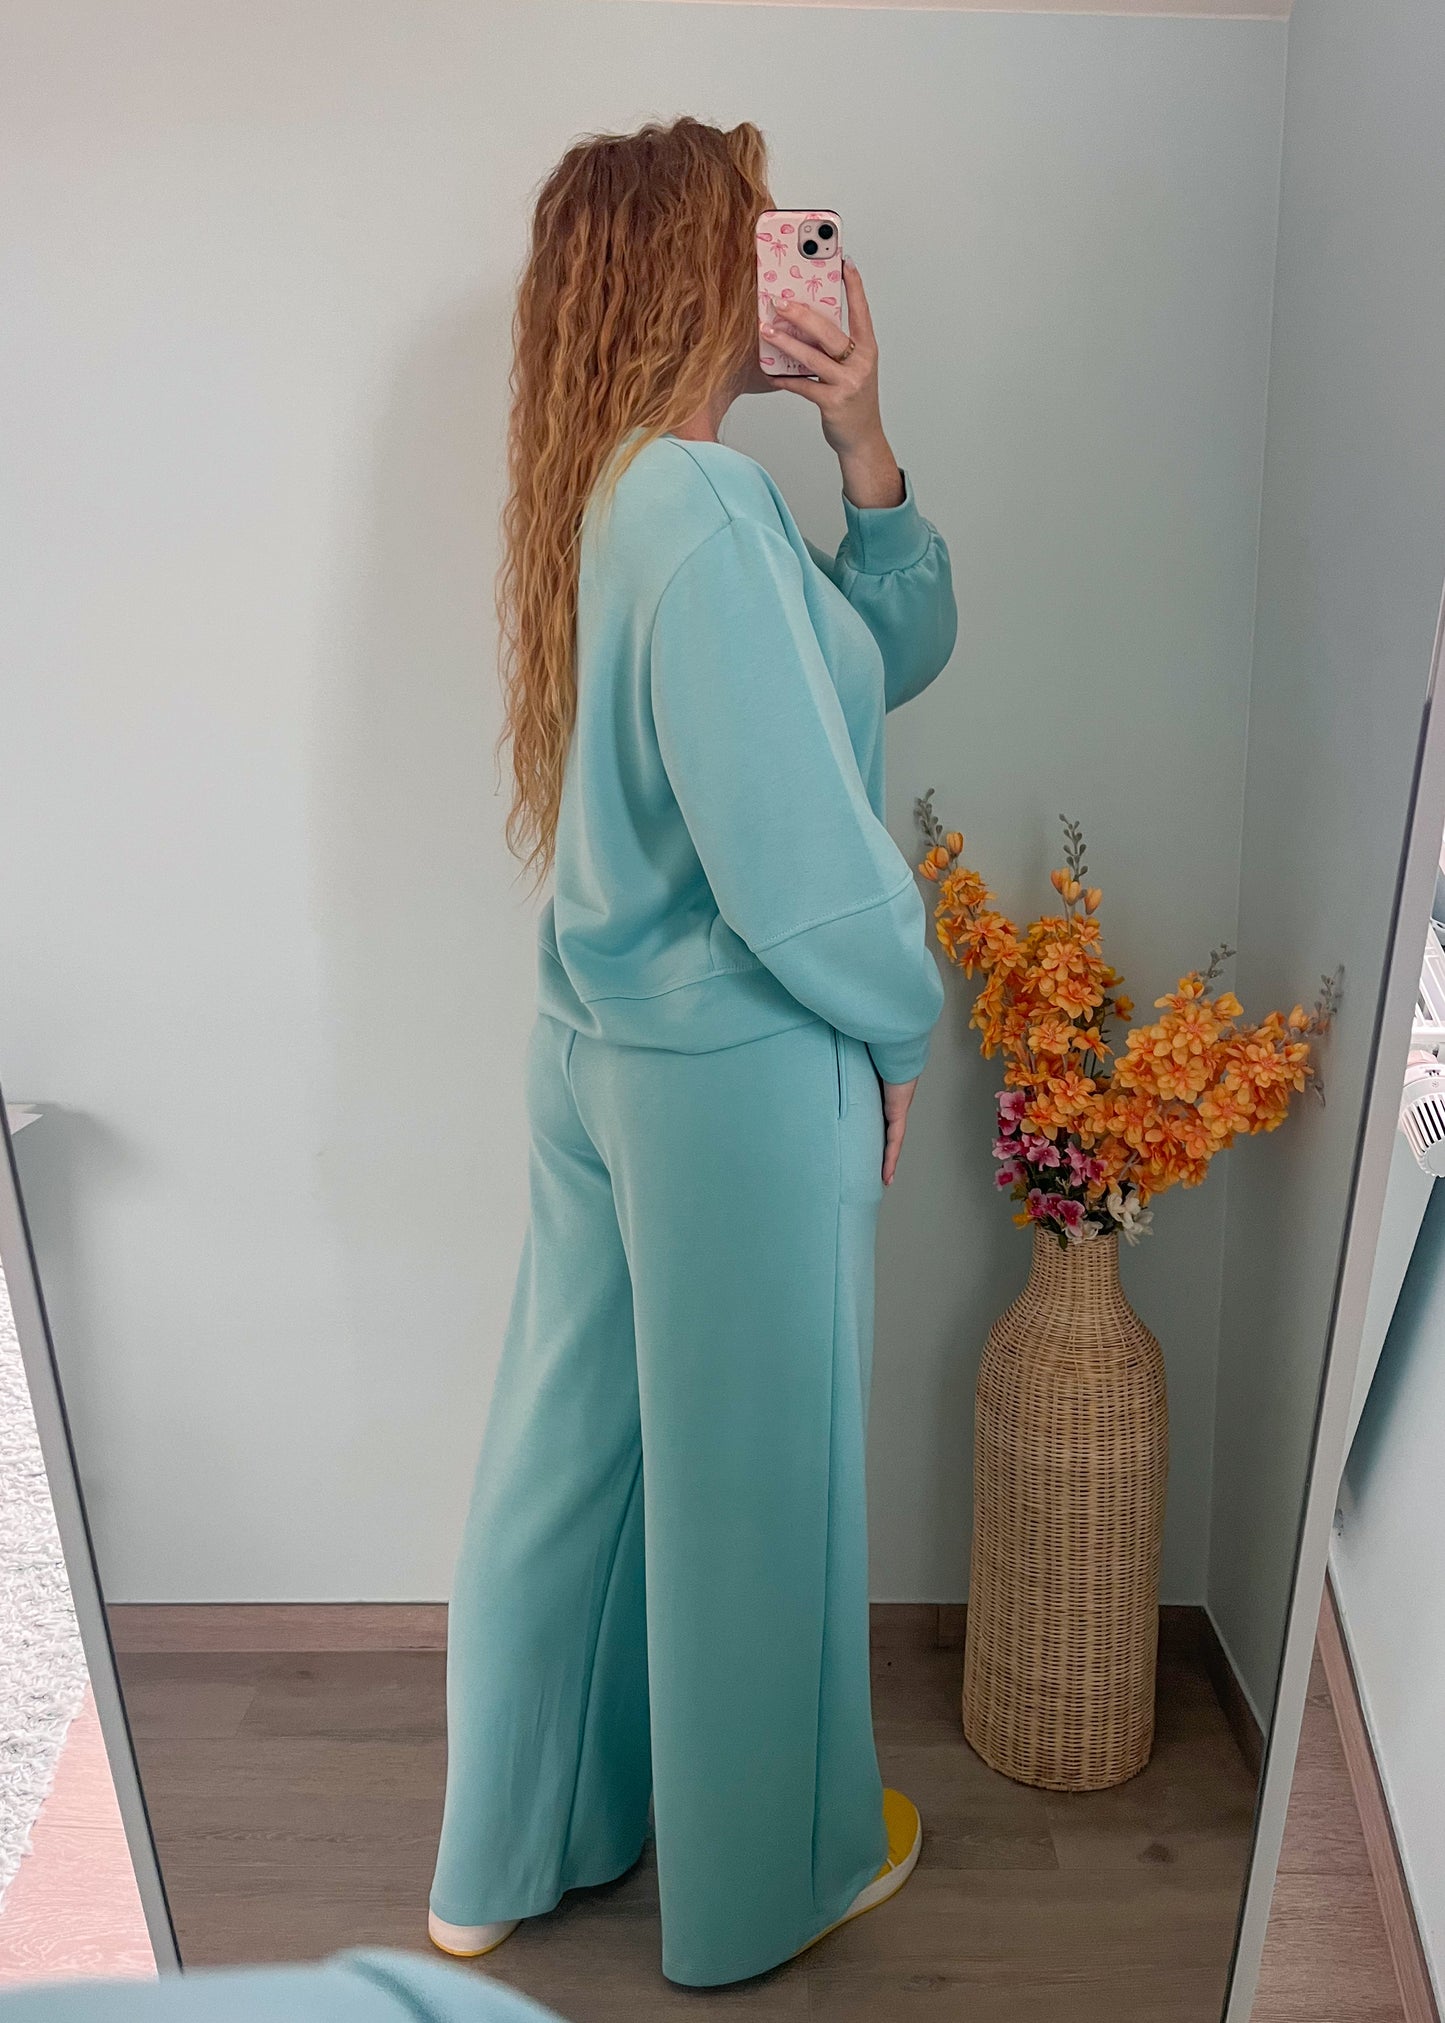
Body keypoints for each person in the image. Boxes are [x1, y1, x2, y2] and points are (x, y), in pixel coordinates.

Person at [429, 117, 955, 1989]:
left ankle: (501, 1853)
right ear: (679, 270)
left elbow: (880, 654)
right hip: (729, 1067)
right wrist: (903, 1025)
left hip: (595, 1041)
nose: (781, 268)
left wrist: (861, 441)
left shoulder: (624, 491)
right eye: (751, 237)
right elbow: (797, 868)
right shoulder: (703, 511)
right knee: (753, 1483)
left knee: (568, 1452)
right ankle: (762, 1890)